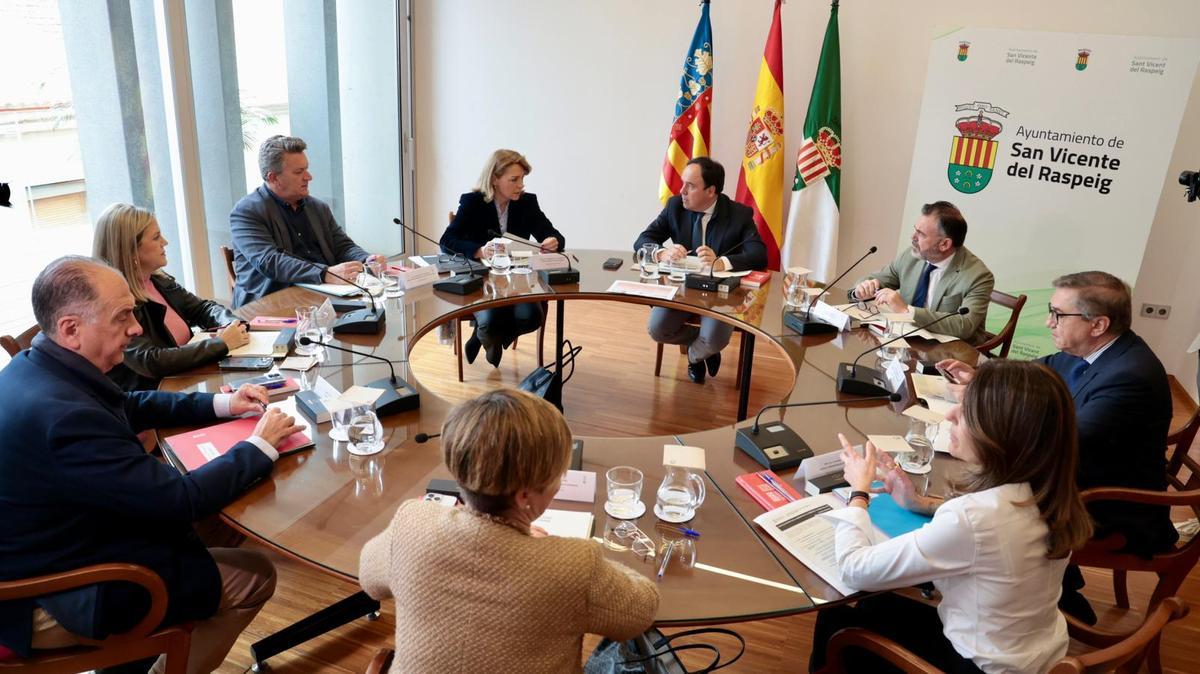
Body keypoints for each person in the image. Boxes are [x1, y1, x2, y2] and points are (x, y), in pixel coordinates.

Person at [0, 256, 301, 673]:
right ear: (71, 329)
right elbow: (182, 499)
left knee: (211, 536)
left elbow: (129, 404)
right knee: (254, 575)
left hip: (57, 546)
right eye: (123, 315)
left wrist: (223, 403)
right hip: (51, 594)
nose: (137, 328)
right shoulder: (65, 418)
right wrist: (259, 445)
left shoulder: (34, 367)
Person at [809, 360, 1092, 673]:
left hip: (978, 666)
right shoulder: (1048, 491)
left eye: (967, 410)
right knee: (877, 603)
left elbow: (854, 569)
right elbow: (984, 531)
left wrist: (859, 492)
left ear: (1001, 432)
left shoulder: (975, 518)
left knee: (835, 616)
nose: (950, 415)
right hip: (1034, 652)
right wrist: (916, 501)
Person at [359, 389, 658, 673]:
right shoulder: (573, 566)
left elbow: (369, 579)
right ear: (524, 496)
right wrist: (551, 550)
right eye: (559, 476)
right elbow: (642, 609)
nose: (560, 483)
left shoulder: (412, 523)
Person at [937, 270, 1177, 624]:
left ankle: (1033, 602)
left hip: (1111, 504)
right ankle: (1055, 589)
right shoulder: (1092, 351)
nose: (1049, 322)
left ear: (1097, 325)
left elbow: (1060, 445)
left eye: (1058, 315)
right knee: (972, 485)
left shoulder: (1129, 376)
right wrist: (981, 380)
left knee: (980, 501)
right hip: (1080, 478)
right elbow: (1036, 372)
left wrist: (982, 425)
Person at [634, 156, 766, 383]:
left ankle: (696, 356)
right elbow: (643, 240)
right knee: (657, 329)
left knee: (714, 339)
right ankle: (703, 348)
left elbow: (759, 254)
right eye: (683, 183)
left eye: (691, 186)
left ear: (711, 191)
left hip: (720, 295)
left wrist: (722, 262)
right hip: (681, 289)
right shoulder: (675, 206)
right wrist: (662, 253)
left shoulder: (738, 214)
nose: (682, 190)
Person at [93, 202, 248, 390]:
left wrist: (232, 323)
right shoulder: (115, 304)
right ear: (131, 250)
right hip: (157, 397)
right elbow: (150, 360)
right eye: (156, 237)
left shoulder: (158, 280)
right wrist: (220, 344)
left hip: (190, 380)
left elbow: (202, 308)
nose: (165, 242)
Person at [439, 149, 566, 367]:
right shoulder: (473, 202)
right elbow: (447, 240)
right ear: (495, 179)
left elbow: (554, 235)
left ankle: (482, 338)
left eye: (522, 179)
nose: (520, 185)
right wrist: (478, 250)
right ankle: (487, 334)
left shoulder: (527, 203)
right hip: (482, 282)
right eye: (514, 179)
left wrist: (552, 241)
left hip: (518, 279)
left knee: (531, 318)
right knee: (489, 321)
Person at [230, 135, 387, 307]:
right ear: (273, 177)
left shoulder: (318, 207)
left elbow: (342, 246)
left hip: (325, 299)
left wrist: (366, 259)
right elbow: (270, 261)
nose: (308, 177)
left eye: (306, 169)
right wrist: (324, 273)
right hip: (272, 304)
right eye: (299, 172)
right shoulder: (247, 211)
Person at [849, 201, 993, 344]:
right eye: (915, 230)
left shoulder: (978, 276)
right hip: (906, 339)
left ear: (944, 244)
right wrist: (862, 289)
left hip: (951, 351)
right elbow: (879, 278)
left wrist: (907, 312)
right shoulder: (912, 255)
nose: (913, 237)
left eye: (921, 234)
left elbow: (965, 325)